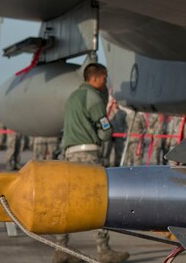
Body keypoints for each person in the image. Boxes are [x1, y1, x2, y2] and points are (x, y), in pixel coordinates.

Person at [54, 63, 129, 263]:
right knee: (98, 200)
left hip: (70, 154)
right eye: (104, 79)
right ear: (95, 79)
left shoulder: (73, 97)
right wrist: (105, 133)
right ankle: (103, 250)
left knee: (69, 201)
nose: (105, 83)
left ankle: (61, 248)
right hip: (88, 154)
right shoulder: (93, 98)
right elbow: (105, 132)